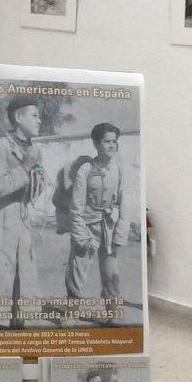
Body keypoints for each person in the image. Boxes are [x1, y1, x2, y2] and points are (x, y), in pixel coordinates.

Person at [0, 97, 44, 326]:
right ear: (18, 117)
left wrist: (37, 180)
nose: (40, 120)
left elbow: (32, 193)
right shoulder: (1, 146)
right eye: (34, 115)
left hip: (21, 220)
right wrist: (27, 166)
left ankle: (17, 334)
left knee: (21, 280)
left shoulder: (35, 149)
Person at [66, 123, 130, 314]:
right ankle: (72, 314)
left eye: (114, 141)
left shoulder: (118, 169)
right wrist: (81, 236)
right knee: (78, 269)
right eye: (106, 141)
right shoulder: (85, 170)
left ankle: (113, 313)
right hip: (87, 226)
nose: (112, 145)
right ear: (95, 143)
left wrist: (120, 233)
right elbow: (76, 207)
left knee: (111, 272)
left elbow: (123, 203)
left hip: (109, 227)